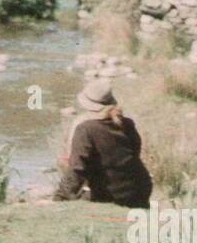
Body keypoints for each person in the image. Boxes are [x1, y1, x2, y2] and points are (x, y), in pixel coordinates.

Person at [54, 78, 152, 207]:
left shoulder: (86, 129)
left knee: (78, 198)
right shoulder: (127, 123)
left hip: (111, 195)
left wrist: (59, 198)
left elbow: (76, 170)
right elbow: (133, 155)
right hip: (139, 191)